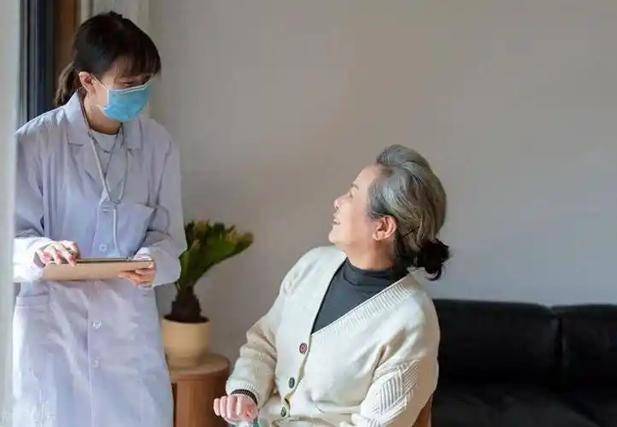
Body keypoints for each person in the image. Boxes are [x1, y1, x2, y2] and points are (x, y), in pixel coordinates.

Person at [12, 12, 186, 427]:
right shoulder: (36, 143)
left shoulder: (158, 145)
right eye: (128, 83)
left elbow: (168, 237)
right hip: (55, 334)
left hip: (127, 339)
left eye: (145, 81)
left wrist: (152, 261)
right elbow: (11, 238)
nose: (139, 91)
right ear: (88, 81)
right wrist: (41, 250)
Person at [214, 145, 449, 426]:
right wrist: (246, 392)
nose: (338, 201)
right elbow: (264, 343)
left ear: (383, 227)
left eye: (352, 194)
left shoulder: (411, 320)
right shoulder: (313, 265)